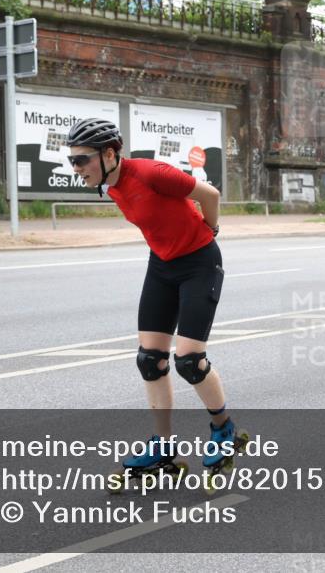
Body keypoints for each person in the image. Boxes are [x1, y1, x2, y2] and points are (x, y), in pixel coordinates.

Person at [67, 117, 238, 479]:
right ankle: (163, 447)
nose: (76, 168)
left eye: (81, 160)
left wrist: (211, 229)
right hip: (162, 266)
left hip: (199, 264)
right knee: (150, 360)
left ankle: (223, 428)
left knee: (190, 361)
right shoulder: (111, 187)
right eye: (72, 161)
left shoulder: (150, 173)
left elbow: (209, 194)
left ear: (109, 153)